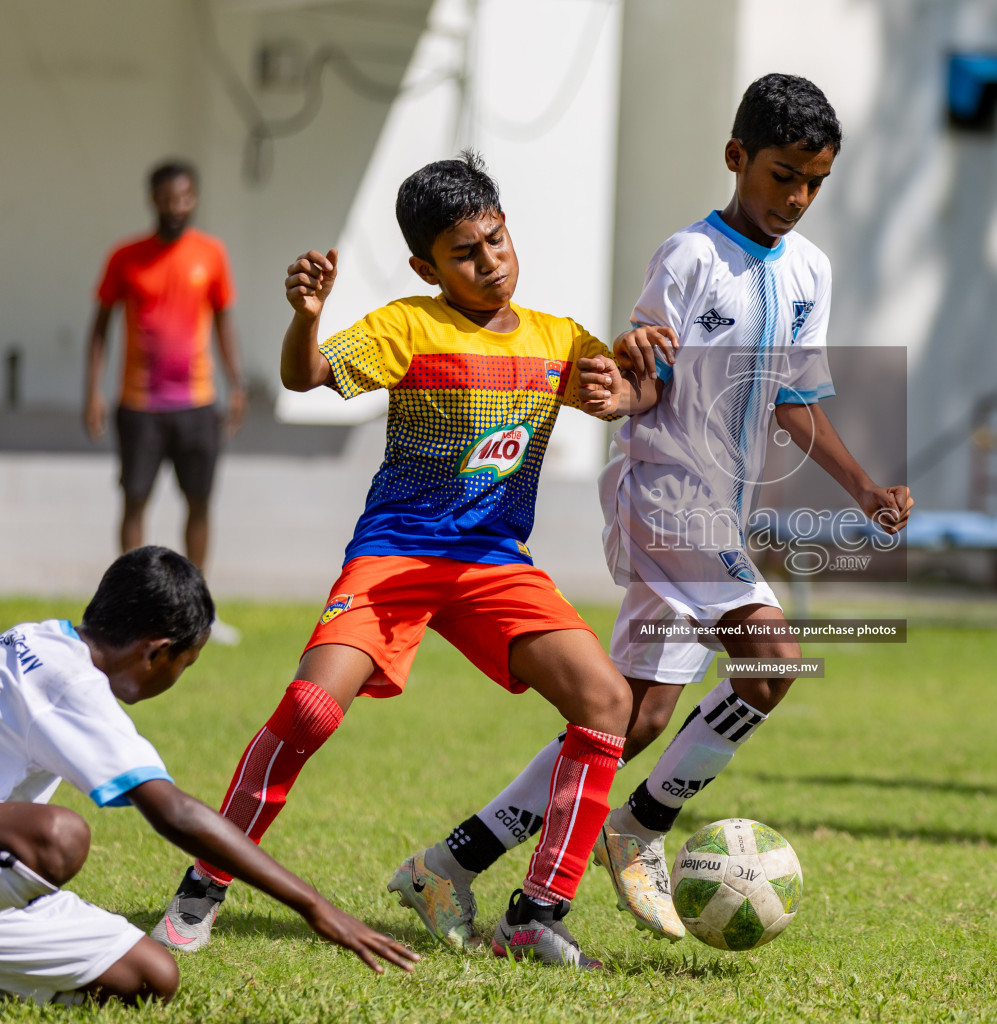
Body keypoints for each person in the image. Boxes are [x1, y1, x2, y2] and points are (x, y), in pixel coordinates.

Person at [386, 73, 912, 949]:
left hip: (720, 514)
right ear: (737, 158)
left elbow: (794, 397)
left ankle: (452, 864)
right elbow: (637, 377)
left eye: (816, 181)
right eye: (784, 174)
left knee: (630, 719)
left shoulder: (813, 270)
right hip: (664, 500)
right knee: (774, 660)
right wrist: (623, 379)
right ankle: (642, 824)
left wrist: (861, 486)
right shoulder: (690, 258)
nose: (799, 197)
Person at [148, 152, 669, 969]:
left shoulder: (558, 339)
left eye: (496, 241)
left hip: (495, 563)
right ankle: (202, 887)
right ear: (427, 266)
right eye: (465, 253)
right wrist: (306, 316)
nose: (489, 262)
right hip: (395, 557)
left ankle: (535, 914)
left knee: (606, 701)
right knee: (311, 711)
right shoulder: (406, 326)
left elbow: (626, 391)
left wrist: (628, 385)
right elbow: (307, 373)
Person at [0, 547, 416, 1007]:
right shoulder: (72, 685)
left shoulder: (30, 638)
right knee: (58, 836)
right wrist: (315, 907)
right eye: (186, 663)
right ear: (156, 652)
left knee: (150, 977)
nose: (179, 674)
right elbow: (173, 812)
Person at [85, 162, 246, 645]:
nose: (176, 206)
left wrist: (236, 385)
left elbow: (224, 324)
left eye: (184, 197)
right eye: (167, 198)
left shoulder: (211, 255)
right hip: (138, 404)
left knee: (199, 503)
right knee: (135, 501)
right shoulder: (125, 257)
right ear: (152, 198)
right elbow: (99, 328)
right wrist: (92, 390)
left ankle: (199, 611)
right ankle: (130, 609)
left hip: (197, 404)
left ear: (194, 198)